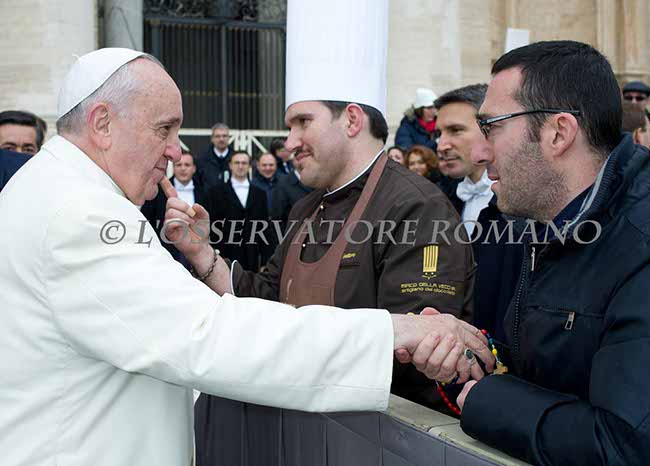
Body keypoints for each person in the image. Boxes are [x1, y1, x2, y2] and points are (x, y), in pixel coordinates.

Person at [0, 47, 492, 466]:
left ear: (352, 120)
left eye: (303, 122)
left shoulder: (67, 194)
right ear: (103, 123)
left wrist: (202, 255)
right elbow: (209, 333)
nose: (175, 150)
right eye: (164, 128)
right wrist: (391, 331)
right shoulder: (78, 211)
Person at [185, 1, 479, 462]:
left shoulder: (416, 207)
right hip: (298, 431)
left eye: (303, 122)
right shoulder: (306, 207)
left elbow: (412, 349)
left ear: (353, 120)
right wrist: (203, 255)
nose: (289, 143)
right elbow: (267, 296)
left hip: (373, 441)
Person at [453, 40, 650, 465]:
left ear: (559, 133)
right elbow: (552, 372)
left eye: (490, 127)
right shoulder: (549, 227)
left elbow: (633, 449)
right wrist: (468, 353)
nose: (478, 152)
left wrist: (487, 399)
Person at [434, 84, 523, 343]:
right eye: (438, 133)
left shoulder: (521, 207)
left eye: (456, 130)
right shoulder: (439, 199)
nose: (441, 145)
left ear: (489, 129)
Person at [207, 151, 273, 270]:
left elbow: (264, 227)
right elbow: (213, 225)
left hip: (252, 255)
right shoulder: (216, 192)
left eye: (244, 163)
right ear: (230, 165)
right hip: (226, 254)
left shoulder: (260, 194)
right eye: (237, 163)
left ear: (249, 166)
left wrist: (265, 261)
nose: (240, 166)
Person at [141, 149, 205, 267]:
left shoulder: (205, 192)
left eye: (187, 165)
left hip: (197, 249)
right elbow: (148, 220)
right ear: (173, 168)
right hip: (167, 252)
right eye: (179, 165)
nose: (183, 168)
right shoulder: (158, 191)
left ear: (194, 168)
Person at [270, 154, 312, 232]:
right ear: (293, 160)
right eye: (298, 157)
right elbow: (277, 218)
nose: (303, 161)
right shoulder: (282, 184)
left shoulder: (319, 182)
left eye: (306, 157)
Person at [196, 122, 233, 195]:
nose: (221, 139)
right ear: (212, 139)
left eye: (224, 136)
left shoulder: (235, 159)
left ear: (229, 138)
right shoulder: (202, 159)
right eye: (217, 136)